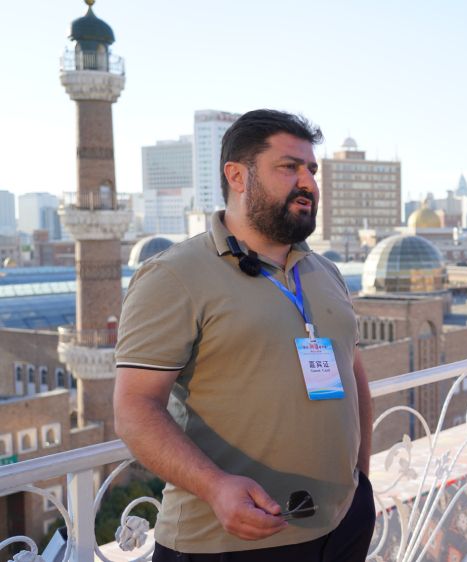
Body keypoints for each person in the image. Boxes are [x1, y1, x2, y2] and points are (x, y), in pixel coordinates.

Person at [114, 109, 375, 561]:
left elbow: (353, 378)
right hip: (230, 541)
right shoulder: (173, 275)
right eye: (288, 167)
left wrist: (360, 486)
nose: (308, 181)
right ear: (237, 175)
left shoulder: (325, 271)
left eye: (311, 169)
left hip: (340, 528)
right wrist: (215, 488)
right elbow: (134, 408)